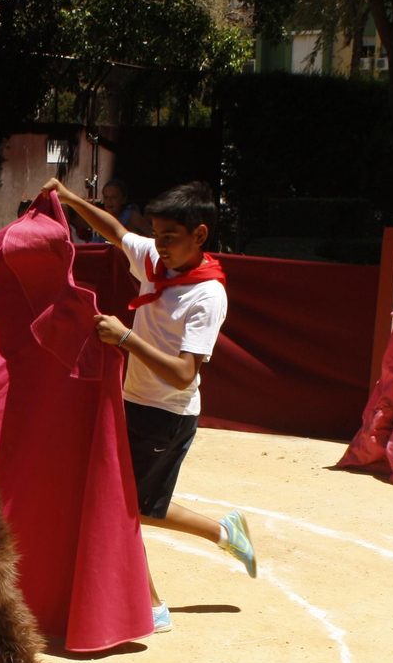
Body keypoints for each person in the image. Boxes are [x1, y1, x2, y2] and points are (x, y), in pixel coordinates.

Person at [43, 176, 255, 635]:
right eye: (156, 235)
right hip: (132, 402)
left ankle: (152, 604)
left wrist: (125, 338)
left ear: (200, 235)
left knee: (125, 507)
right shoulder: (159, 260)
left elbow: (184, 373)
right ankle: (224, 533)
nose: (159, 245)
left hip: (167, 416)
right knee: (139, 506)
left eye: (170, 238)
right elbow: (116, 233)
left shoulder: (207, 295)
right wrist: (71, 198)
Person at [71, 178, 150, 243]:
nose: (109, 201)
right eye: (106, 197)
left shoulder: (132, 216)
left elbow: (152, 236)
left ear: (123, 199)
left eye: (114, 197)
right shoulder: (103, 216)